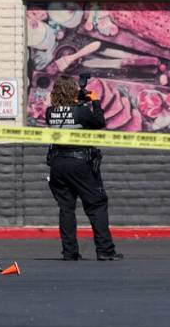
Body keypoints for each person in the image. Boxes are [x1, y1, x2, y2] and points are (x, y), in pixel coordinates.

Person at [44, 76, 123, 261]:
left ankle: (69, 252)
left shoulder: (50, 112)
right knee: (97, 205)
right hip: (80, 164)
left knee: (66, 208)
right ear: (73, 92)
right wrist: (94, 100)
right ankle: (105, 250)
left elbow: (66, 113)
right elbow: (99, 122)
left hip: (57, 164)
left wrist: (77, 100)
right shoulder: (82, 111)